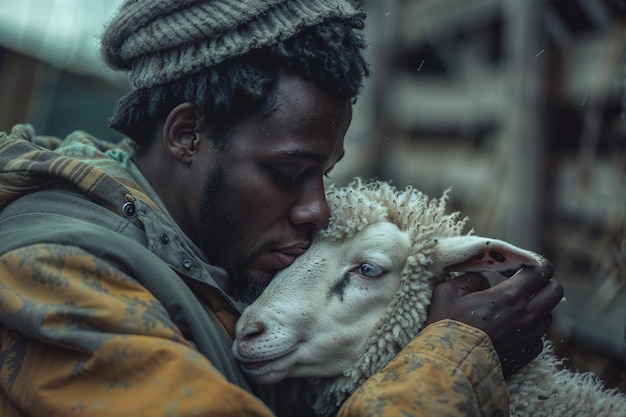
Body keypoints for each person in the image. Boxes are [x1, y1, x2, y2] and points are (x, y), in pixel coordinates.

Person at [0, 0, 563, 416]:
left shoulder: (207, 259)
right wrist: (454, 356)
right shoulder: (54, 275)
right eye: (289, 173)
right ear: (188, 135)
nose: (317, 209)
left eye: (325, 173)